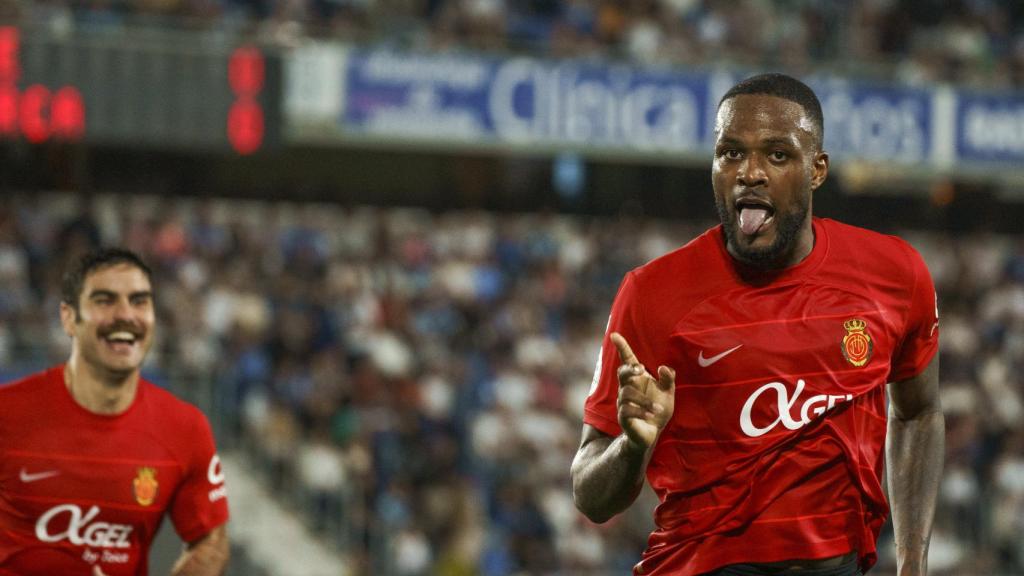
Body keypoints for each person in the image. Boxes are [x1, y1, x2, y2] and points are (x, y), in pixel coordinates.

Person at [570, 73, 943, 576]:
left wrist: (913, 563)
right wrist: (633, 445)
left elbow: (917, 413)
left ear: (817, 170)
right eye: (730, 153)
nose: (750, 173)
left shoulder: (893, 275)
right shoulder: (652, 295)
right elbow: (591, 498)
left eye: (777, 155)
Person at [0, 248, 230, 575]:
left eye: (140, 301)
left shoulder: (185, 428)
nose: (126, 315)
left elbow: (210, 540)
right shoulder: (7, 413)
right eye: (105, 300)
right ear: (69, 318)